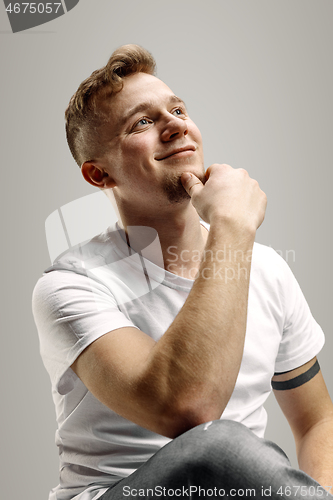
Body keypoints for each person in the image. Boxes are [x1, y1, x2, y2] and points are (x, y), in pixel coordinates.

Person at [32, 45, 333, 500]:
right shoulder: (71, 286)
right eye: (143, 122)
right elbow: (190, 411)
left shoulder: (267, 268)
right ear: (99, 175)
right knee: (220, 446)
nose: (176, 124)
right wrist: (231, 227)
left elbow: (317, 421)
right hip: (121, 492)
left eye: (177, 109)